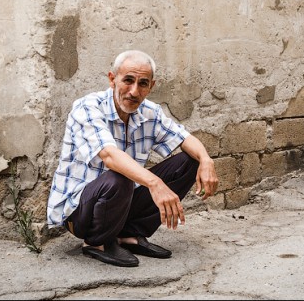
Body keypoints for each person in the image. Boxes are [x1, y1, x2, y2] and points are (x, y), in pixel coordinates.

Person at [46, 50, 219, 267]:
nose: (134, 91)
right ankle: (96, 242)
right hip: (80, 212)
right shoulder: (87, 108)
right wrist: (155, 183)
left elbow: (183, 138)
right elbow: (109, 156)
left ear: (151, 87)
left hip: (120, 202)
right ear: (112, 79)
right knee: (121, 175)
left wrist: (206, 160)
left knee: (189, 162)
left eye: (143, 83)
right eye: (128, 80)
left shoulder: (150, 112)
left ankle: (128, 234)